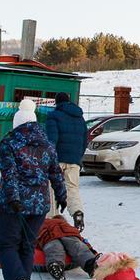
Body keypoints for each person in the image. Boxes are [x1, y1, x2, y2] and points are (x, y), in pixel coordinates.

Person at [0, 98, 66, 280]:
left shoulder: (9, 142)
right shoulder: (47, 143)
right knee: (26, 246)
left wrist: (14, 198)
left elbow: (10, 175)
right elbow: (56, 173)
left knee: (7, 246)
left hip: (13, 204)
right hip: (39, 203)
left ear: (17, 123)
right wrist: (62, 196)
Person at [43, 91, 88, 230]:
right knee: (72, 188)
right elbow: (84, 141)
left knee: (52, 189)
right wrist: (77, 157)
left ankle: (52, 220)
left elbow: (52, 140)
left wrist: (49, 160)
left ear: (56, 102)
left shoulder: (53, 116)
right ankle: (77, 212)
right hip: (74, 160)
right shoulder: (80, 118)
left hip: (57, 160)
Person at [36, 214, 98, 280]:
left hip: (57, 235)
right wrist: (92, 250)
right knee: (75, 246)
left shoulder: (59, 222)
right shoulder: (43, 222)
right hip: (56, 235)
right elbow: (83, 242)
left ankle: (90, 264)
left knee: (56, 249)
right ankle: (56, 267)